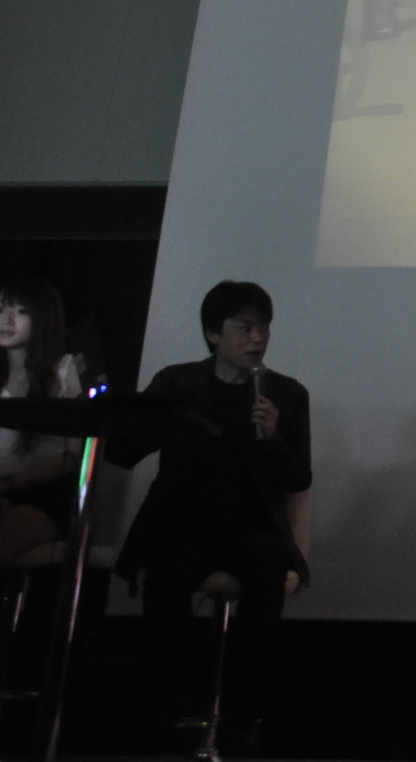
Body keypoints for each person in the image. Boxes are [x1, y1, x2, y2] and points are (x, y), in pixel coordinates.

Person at [106, 281, 311, 752]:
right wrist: (139, 417)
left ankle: (238, 700)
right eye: (244, 327)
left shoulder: (286, 394)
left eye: (264, 327)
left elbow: (298, 477)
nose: (257, 337)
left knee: (267, 565)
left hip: (253, 526)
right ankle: (176, 691)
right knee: (166, 568)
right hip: (186, 521)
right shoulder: (177, 383)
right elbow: (124, 451)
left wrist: (273, 438)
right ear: (213, 333)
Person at [0, 279, 83, 561]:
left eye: (21, 311)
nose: (6, 319)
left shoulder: (64, 369)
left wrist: (11, 483)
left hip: (44, 495)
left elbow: (74, 455)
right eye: (2, 309)